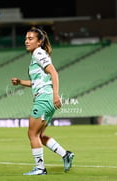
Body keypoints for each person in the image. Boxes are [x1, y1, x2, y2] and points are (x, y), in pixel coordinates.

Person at [11, 27, 74, 175]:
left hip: (44, 99)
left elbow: (53, 72)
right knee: (38, 135)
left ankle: (40, 168)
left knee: (32, 134)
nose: (26, 41)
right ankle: (66, 155)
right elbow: (37, 82)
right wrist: (20, 82)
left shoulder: (38, 53)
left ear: (39, 42)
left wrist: (56, 95)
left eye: (30, 39)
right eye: (26, 38)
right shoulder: (37, 55)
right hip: (46, 98)